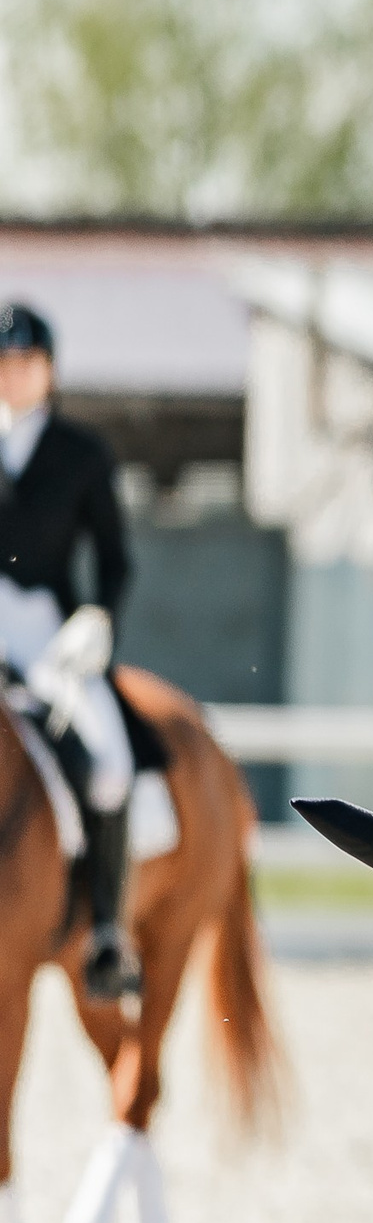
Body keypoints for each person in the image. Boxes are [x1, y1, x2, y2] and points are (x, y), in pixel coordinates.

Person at [0, 300, 140, 1000]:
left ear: (48, 370)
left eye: (24, 361)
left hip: (50, 632)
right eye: (4, 362)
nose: (12, 373)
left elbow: (116, 560)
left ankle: (107, 930)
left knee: (110, 763)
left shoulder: (81, 453)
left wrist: (97, 616)